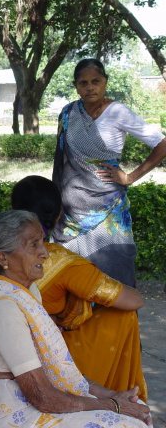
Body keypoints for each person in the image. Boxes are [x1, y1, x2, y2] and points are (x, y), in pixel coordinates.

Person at [0, 210, 151, 428]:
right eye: (33, 245)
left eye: (42, 242)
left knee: (132, 414)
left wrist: (112, 395)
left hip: (22, 396)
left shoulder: (25, 291)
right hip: (1, 409)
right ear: (3, 258)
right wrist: (112, 405)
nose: (45, 253)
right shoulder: (5, 308)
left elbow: (50, 372)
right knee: (130, 424)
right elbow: (42, 397)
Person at [10, 175, 147, 401]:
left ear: (12, 211)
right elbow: (135, 301)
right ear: (59, 214)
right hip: (45, 358)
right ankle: (116, 396)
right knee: (124, 316)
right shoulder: (62, 261)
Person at [52, 58, 166, 287]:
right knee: (72, 277)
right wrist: (55, 203)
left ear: (105, 82)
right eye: (83, 83)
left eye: (96, 81)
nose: (89, 87)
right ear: (76, 86)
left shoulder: (118, 112)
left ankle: (118, 323)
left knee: (115, 274)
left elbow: (161, 144)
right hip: (71, 212)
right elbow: (60, 162)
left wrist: (130, 177)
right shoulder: (68, 113)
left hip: (109, 210)